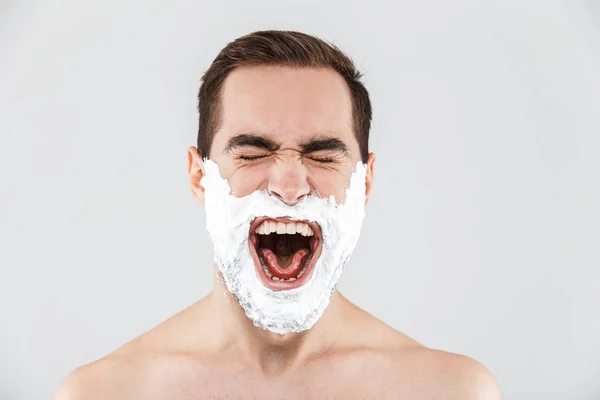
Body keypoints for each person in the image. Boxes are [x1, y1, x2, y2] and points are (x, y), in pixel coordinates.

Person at [55, 30, 501, 399]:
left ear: (364, 185)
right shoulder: (104, 393)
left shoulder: (447, 391)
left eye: (323, 156)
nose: (289, 188)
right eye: (252, 153)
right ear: (199, 177)